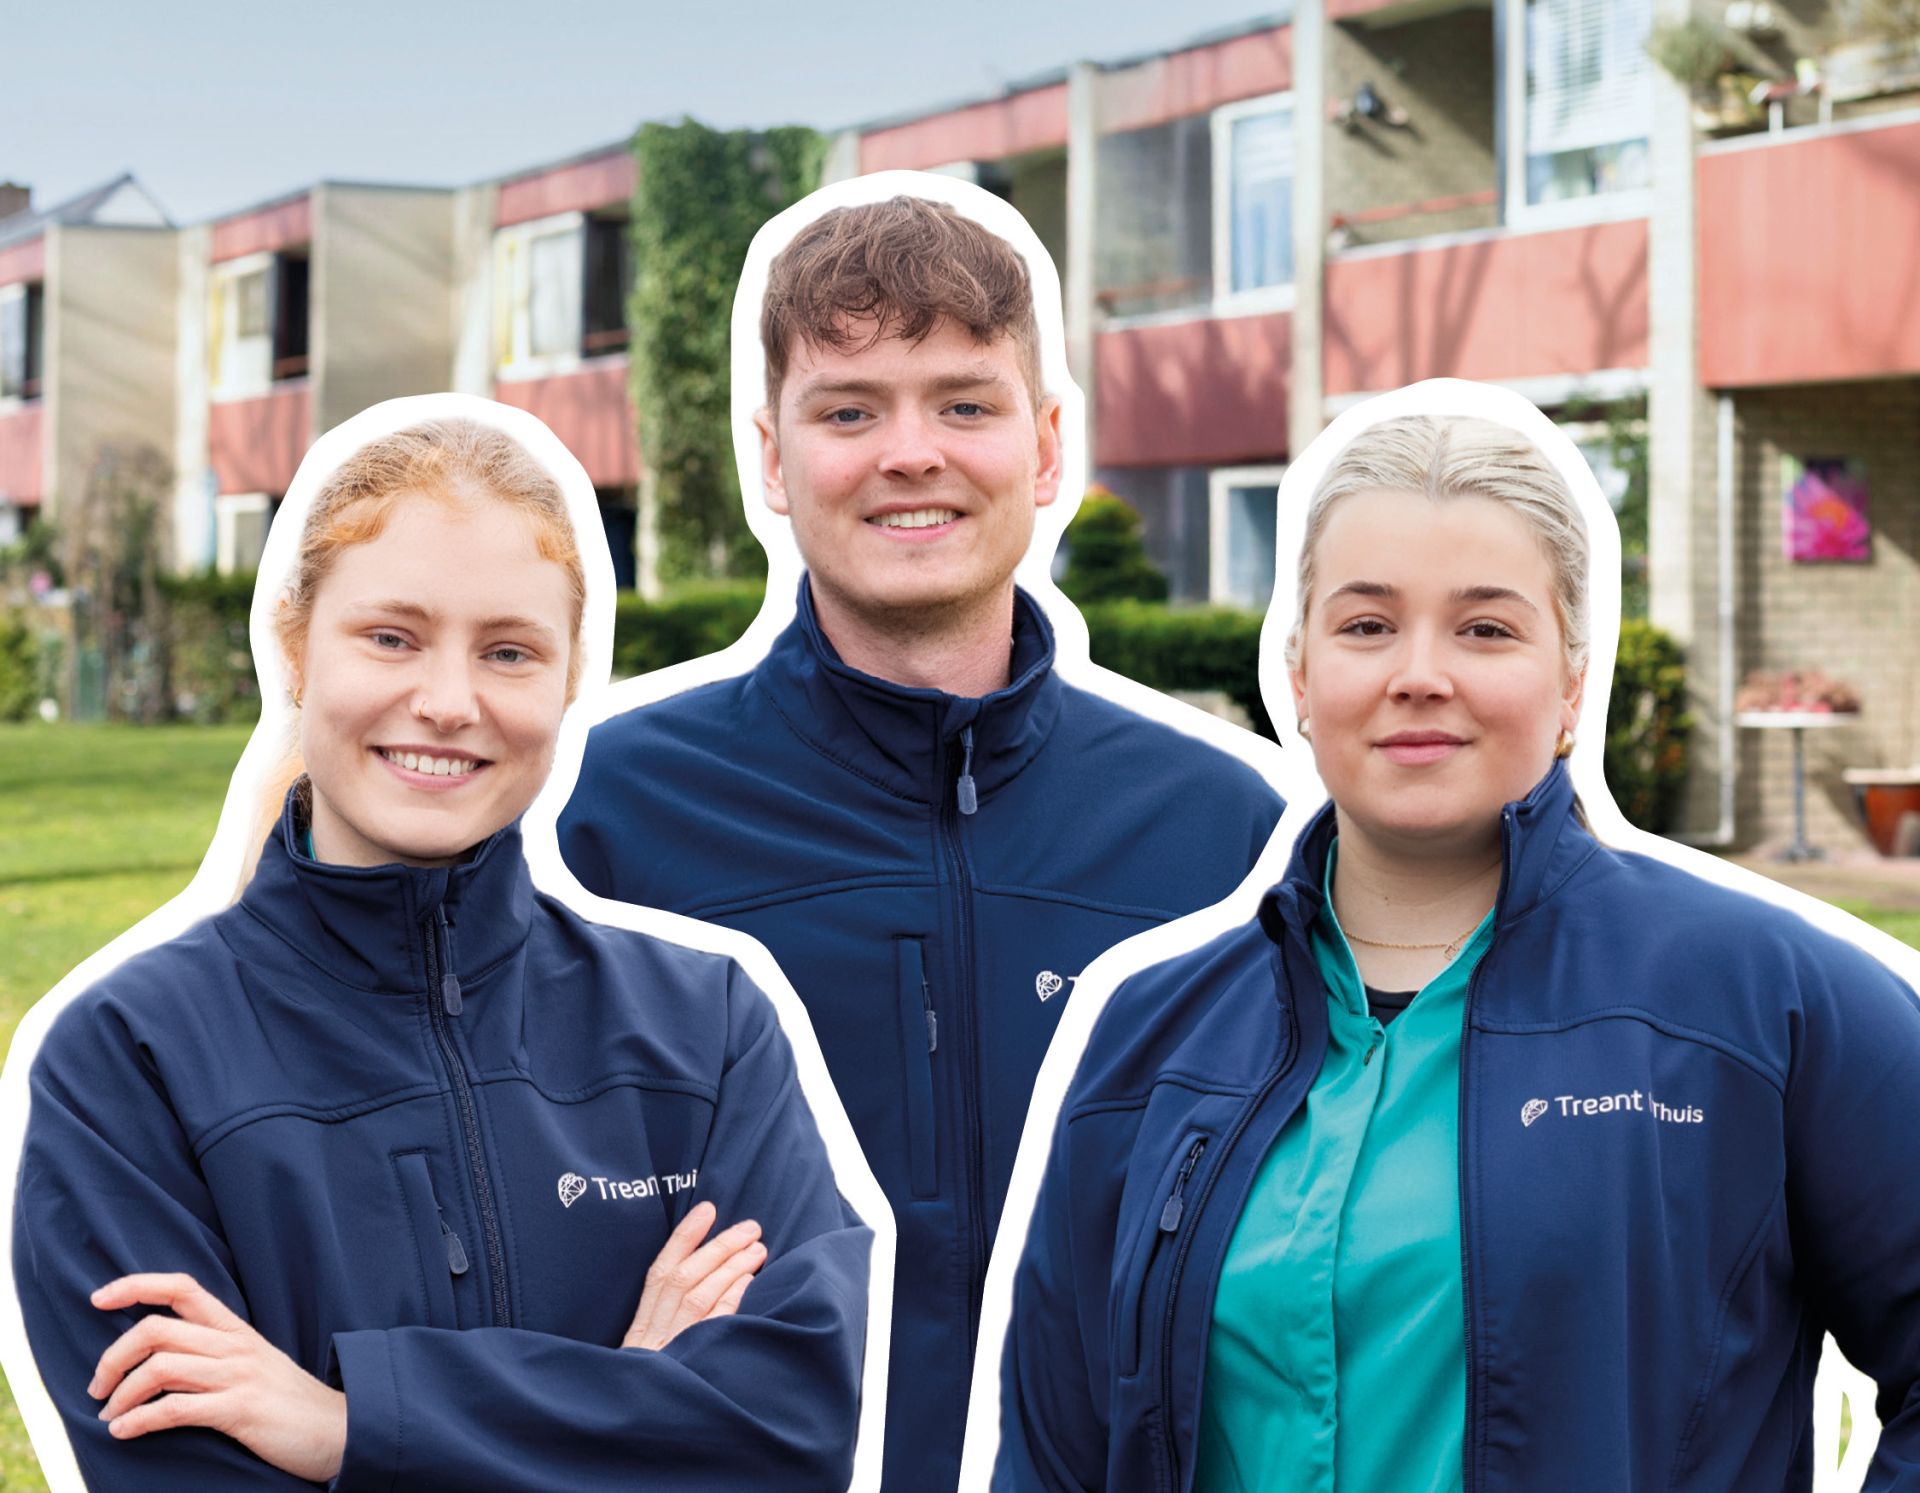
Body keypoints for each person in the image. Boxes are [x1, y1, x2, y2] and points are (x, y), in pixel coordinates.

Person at [994, 410, 1920, 1491]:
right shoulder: (1151, 1033)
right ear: (1298, 674)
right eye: (1367, 625)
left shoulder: (1763, 1005)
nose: (1420, 673)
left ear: (1573, 683)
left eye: (1486, 629)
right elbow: (1053, 1457)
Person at [557, 190, 1285, 1490]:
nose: (910, 453)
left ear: (1047, 447)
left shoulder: (1231, 832)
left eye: (964, 403)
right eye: (849, 409)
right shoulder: (594, 816)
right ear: (770, 459)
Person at [9, 413, 870, 1490]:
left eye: (509, 652)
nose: (449, 702)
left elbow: (788, 1433)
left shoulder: (708, 1028)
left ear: (566, 683)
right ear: (292, 644)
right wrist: (638, 1392)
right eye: (392, 637)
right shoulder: (128, 1060)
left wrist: (346, 1423)